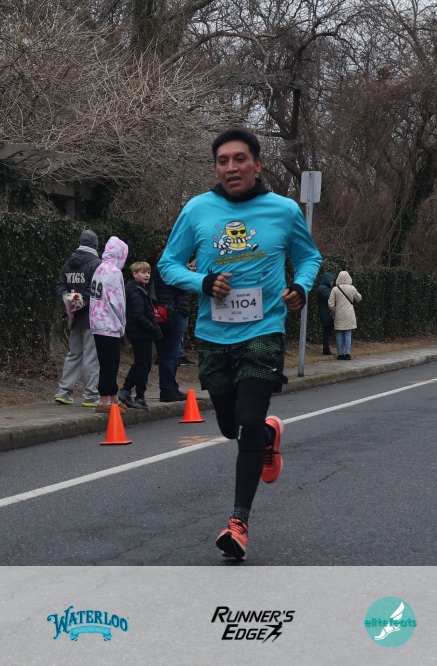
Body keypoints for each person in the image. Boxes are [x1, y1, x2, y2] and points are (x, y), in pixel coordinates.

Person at [159, 128, 322, 561]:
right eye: (223, 161)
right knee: (231, 427)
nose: (231, 167)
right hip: (214, 336)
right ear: (216, 167)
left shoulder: (284, 210)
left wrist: (301, 287)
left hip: (264, 331)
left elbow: (309, 257)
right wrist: (203, 281)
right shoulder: (197, 209)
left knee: (247, 422)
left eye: (239, 159)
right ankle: (269, 434)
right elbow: (168, 265)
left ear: (257, 164)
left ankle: (238, 523)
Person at [53, 230, 101, 407]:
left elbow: (60, 286)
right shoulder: (97, 264)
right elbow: (95, 290)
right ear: (95, 244)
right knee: (91, 357)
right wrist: (80, 302)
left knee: (73, 354)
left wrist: (71, 302)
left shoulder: (68, 263)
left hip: (74, 317)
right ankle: (90, 395)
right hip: (92, 317)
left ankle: (64, 392)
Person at [148, 244, 193, 402]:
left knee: (168, 352)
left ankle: (170, 387)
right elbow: (178, 282)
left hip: (166, 310)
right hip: (172, 311)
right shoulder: (171, 259)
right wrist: (190, 274)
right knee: (170, 353)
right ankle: (168, 389)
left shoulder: (165, 258)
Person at [89, 236, 128, 414]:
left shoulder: (100, 268)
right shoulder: (115, 272)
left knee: (106, 360)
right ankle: (104, 400)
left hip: (96, 321)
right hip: (109, 322)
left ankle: (114, 398)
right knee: (110, 364)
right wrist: (122, 324)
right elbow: (118, 302)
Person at [117, 261, 162, 409]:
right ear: (135, 274)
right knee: (143, 365)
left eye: (148, 272)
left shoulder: (138, 289)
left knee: (142, 363)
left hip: (138, 332)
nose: (147, 275)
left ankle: (127, 390)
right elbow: (138, 315)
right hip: (140, 333)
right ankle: (139, 395)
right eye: (143, 272)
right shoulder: (136, 291)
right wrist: (153, 328)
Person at [328, 271, 361, 360]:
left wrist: (334, 312)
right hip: (349, 314)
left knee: (339, 333)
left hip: (339, 314)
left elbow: (330, 304)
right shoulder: (352, 288)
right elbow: (359, 298)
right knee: (348, 333)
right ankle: (347, 354)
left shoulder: (335, 289)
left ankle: (340, 354)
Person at [315, 271, 336, 356]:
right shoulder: (323, 289)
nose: (332, 282)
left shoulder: (324, 288)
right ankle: (326, 349)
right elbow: (330, 298)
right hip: (326, 312)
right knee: (327, 330)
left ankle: (326, 348)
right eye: (332, 281)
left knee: (328, 331)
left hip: (326, 312)